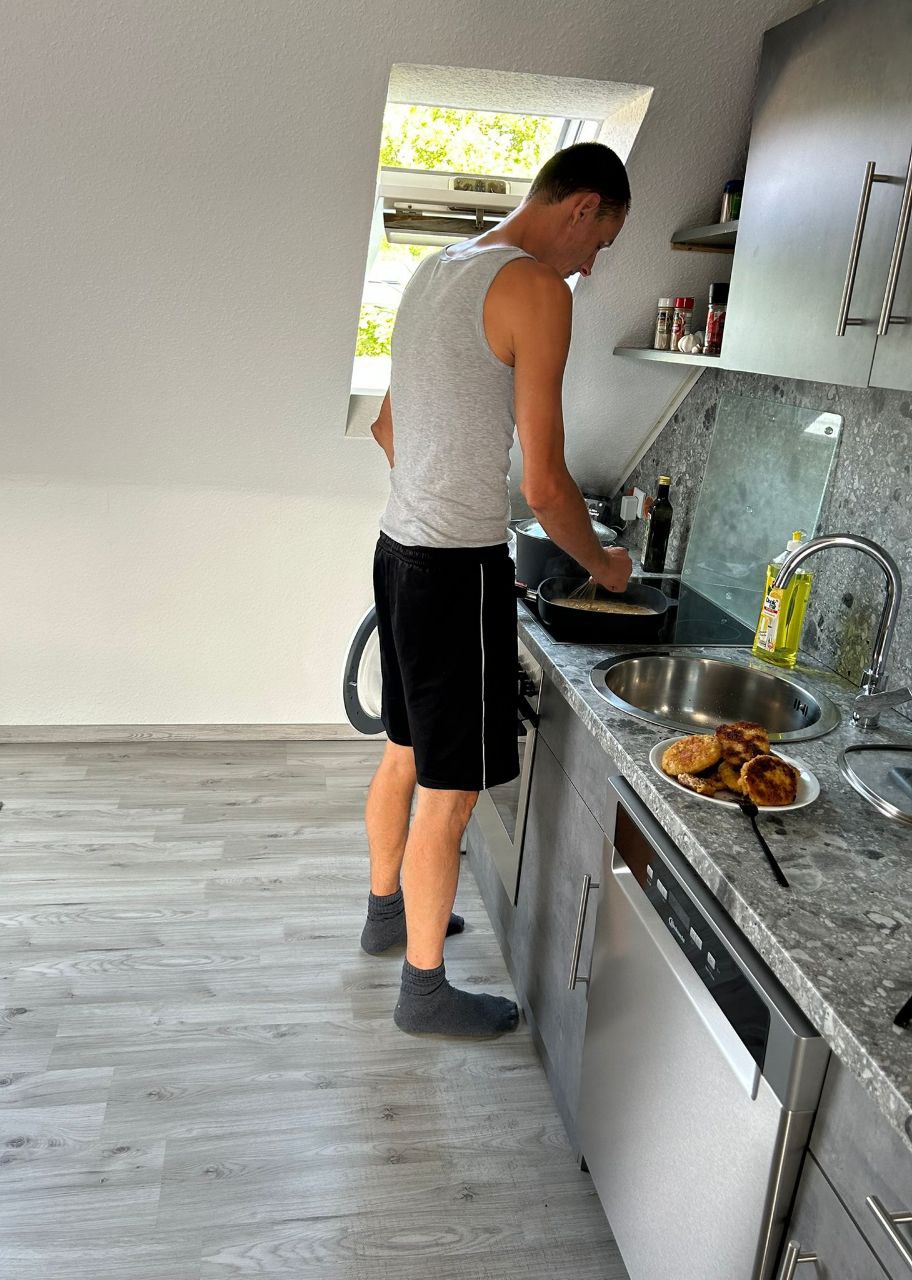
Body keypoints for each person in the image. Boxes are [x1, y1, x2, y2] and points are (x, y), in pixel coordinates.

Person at [360, 142, 633, 1038]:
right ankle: (425, 992)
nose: (591, 266)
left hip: (399, 551)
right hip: (451, 572)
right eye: (601, 243)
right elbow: (546, 486)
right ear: (583, 207)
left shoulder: (437, 269)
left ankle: (388, 915)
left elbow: (387, 426)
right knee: (452, 794)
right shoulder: (537, 290)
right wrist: (604, 568)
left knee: (403, 752)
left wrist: (435, 503)